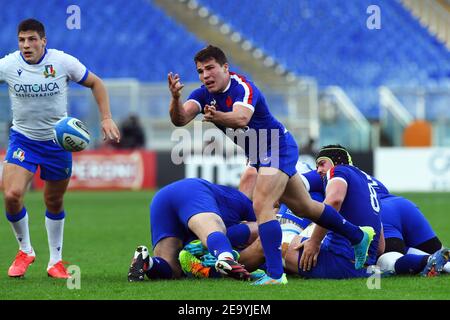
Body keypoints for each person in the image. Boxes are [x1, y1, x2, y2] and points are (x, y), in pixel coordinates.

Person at [168, 45, 375, 285]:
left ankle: (276, 275)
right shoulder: (203, 94)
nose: (205, 75)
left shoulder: (242, 87)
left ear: (225, 68)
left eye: (210, 68)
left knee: (262, 203)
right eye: (200, 71)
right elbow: (180, 118)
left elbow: (241, 117)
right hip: (260, 152)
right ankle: (358, 235)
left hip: (277, 146)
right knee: (305, 207)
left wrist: (217, 117)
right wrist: (175, 99)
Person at [0, 19, 120, 278]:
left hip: (58, 143)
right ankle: (25, 251)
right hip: (23, 140)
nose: (26, 45)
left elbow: (96, 83)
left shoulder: (62, 62)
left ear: (44, 41)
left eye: (32, 39)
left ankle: (55, 261)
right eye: (22, 40)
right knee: (11, 195)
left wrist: (106, 117)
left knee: (53, 200)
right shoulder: (8, 65)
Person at [127, 178, 257, 282]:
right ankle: (226, 258)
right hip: (190, 191)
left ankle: (147, 262)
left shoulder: (237, 204)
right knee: (213, 228)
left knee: (172, 269)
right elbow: (259, 229)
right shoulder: (248, 206)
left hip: (161, 198)